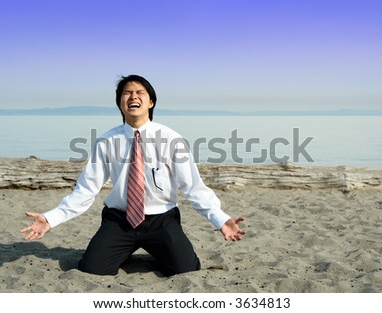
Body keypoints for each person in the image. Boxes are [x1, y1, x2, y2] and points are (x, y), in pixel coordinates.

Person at [20, 74, 246, 276]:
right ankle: (122, 250)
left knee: (185, 269)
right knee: (92, 269)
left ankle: (158, 249)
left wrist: (220, 219)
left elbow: (193, 188)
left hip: (162, 220)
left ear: (151, 102)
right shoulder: (107, 141)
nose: (132, 96)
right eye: (127, 93)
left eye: (140, 92)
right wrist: (51, 218)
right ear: (120, 103)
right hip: (120, 221)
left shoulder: (171, 139)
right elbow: (86, 189)